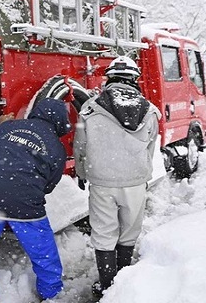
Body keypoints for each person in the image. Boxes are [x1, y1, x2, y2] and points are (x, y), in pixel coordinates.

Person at [0, 98, 70, 303]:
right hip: (24, 202)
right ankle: (51, 293)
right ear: (61, 122)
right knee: (42, 251)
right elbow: (49, 185)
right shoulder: (56, 148)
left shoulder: (5, 128)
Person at [73, 56, 160, 298]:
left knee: (103, 232)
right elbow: (150, 146)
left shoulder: (90, 108)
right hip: (135, 182)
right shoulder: (150, 110)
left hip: (102, 181)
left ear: (109, 77)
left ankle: (107, 284)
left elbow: (80, 146)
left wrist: (82, 173)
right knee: (130, 231)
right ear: (134, 79)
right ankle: (124, 280)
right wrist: (141, 172)